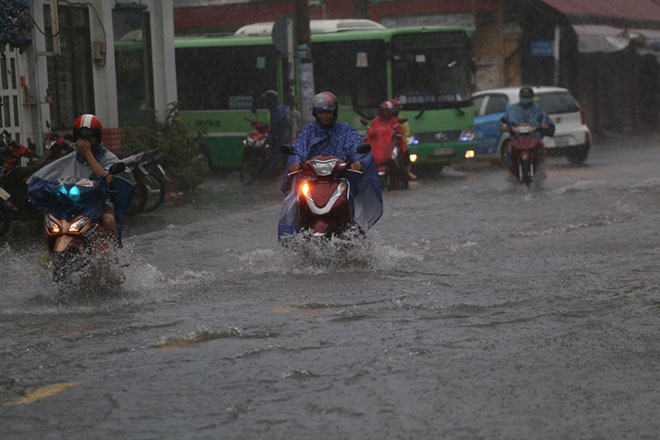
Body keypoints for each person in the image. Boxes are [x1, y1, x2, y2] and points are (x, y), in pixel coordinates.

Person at [278, 91, 383, 240]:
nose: (324, 116)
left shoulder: (345, 130)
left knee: (348, 197)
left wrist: (358, 161)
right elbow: (298, 150)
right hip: (312, 179)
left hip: (340, 178)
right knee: (294, 201)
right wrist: (295, 163)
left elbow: (356, 147)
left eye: (328, 112)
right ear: (315, 114)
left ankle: (352, 233)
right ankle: (294, 235)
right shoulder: (309, 131)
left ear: (334, 112)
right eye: (320, 113)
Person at [28, 114, 134, 241]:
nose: (85, 142)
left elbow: (106, 179)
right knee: (51, 220)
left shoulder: (107, 157)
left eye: (89, 137)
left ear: (97, 137)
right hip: (73, 202)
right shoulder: (70, 158)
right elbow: (52, 174)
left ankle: (115, 253)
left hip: (99, 201)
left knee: (108, 220)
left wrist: (88, 154)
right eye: (81, 137)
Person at [502, 86, 555, 177]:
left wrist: (545, 126)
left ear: (531, 97)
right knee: (508, 148)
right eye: (524, 97)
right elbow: (505, 121)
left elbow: (546, 121)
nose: (525, 99)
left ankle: (541, 168)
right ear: (520, 97)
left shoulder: (538, 109)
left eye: (528, 97)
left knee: (541, 146)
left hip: (533, 137)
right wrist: (505, 126)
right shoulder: (512, 109)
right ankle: (510, 171)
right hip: (517, 137)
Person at [261, 90, 291, 172]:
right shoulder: (276, 110)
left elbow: (277, 125)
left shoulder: (278, 110)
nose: (265, 103)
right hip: (279, 135)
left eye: (266, 100)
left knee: (276, 153)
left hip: (280, 136)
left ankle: (276, 169)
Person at [390, 98, 417, 180]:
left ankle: (408, 172)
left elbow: (406, 131)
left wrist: (402, 136)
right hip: (387, 142)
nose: (397, 110)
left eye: (398, 108)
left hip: (400, 142)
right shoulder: (384, 119)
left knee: (406, 156)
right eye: (395, 108)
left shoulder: (400, 119)